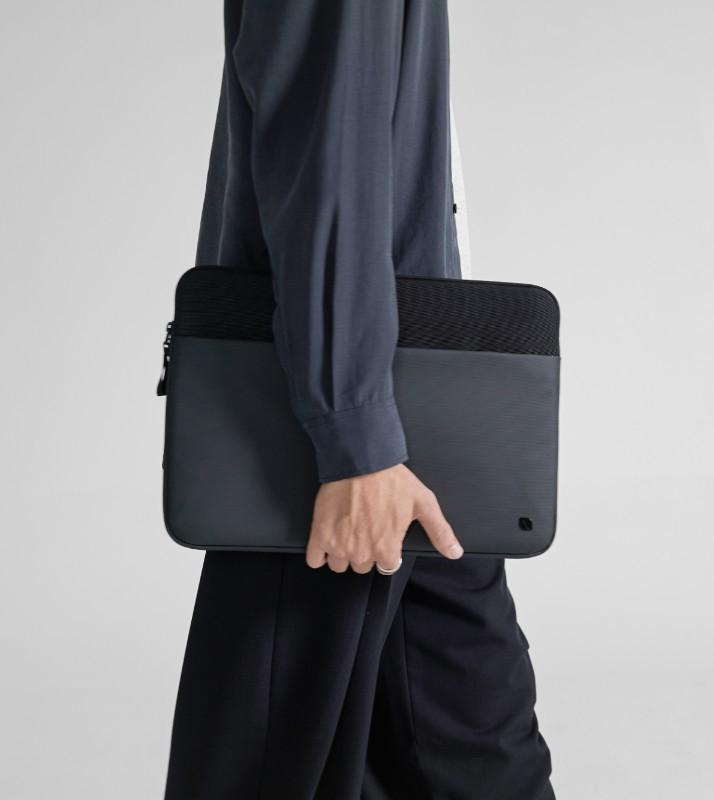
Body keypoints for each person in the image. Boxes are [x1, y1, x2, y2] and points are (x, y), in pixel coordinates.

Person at [164, 2, 556, 798]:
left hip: (405, 413)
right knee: (280, 760)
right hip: (346, 439)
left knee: (477, 750)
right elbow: (325, 171)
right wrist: (355, 439)